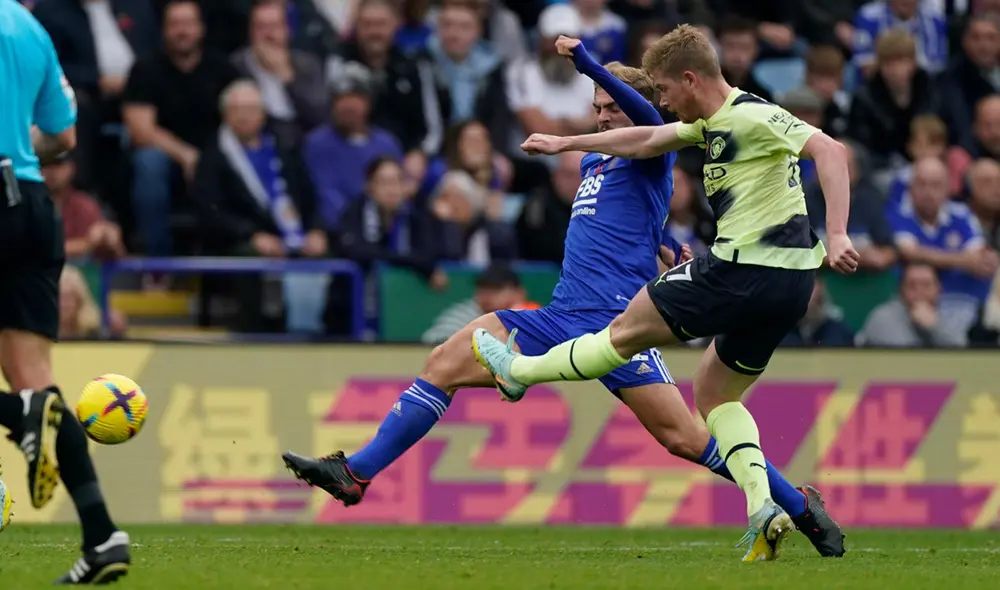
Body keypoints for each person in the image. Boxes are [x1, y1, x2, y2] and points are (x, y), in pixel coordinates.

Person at [283, 34, 845, 562]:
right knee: (444, 363)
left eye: (611, 106)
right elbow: (631, 223)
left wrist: (588, 64)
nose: (602, 115)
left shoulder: (653, 148)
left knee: (685, 437)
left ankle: (796, 505)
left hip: (615, 320)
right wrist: (664, 246)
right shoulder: (597, 159)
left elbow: (648, 123)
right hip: (562, 312)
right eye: (596, 106)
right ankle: (355, 473)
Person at [472, 24, 856, 559]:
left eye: (667, 90)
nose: (665, 103)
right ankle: (763, 507)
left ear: (691, 79)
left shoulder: (752, 115)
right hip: (791, 285)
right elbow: (644, 139)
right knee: (715, 395)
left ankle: (521, 371)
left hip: (743, 268)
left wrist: (838, 232)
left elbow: (830, 150)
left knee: (623, 331)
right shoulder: (708, 125)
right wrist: (565, 143)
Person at [0, 1, 129, 583]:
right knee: (35, 377)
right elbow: (63, 136)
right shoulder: (31, 29)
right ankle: (102, 536)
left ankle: (17, 412)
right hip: (32, 204)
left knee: (29, 395)